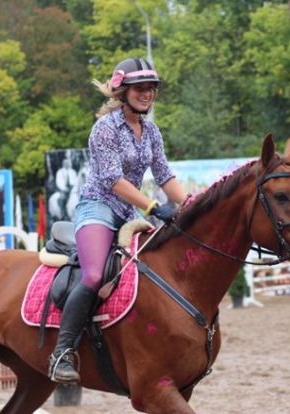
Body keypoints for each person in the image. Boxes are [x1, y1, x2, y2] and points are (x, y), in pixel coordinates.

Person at [48, 57, 187, 384]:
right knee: (95, 274)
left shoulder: (152, 131)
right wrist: (154, 207)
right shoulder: (104, 128)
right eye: (140, 88)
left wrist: (192, 204)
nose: (147, 94)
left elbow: (165, 175)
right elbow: (112, 180)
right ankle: (62, 353)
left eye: (151, 89)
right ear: (122, 91)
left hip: (129, 212)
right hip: (97, 208)